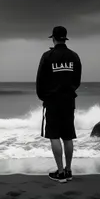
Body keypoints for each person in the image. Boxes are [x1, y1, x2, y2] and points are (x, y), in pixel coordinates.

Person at [36, 26, 82, 183]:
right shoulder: (74, 56)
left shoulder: (47, 56)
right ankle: (69, 170)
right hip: (69, 101)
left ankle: (61, 172)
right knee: (68, 136)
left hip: (53, 101)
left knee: (54, 136)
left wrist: (44, 97)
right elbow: (77, 80)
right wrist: (69, 91)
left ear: (53, 38)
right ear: (65, 38)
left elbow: (40, 81)